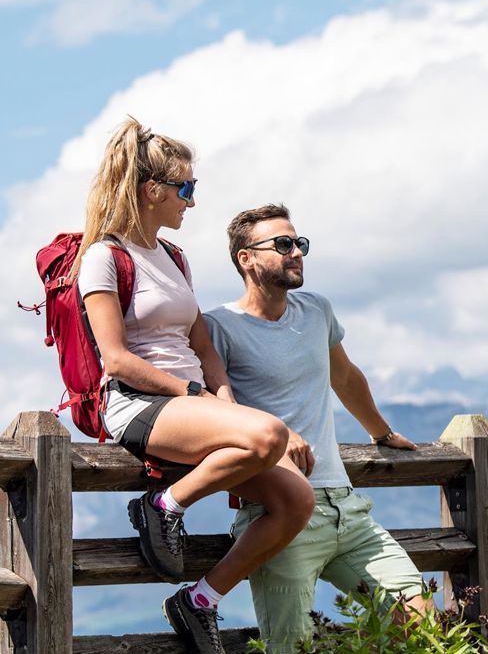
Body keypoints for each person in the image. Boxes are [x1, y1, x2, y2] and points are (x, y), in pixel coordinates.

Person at [76, 120, 315, 654]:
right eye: (185, 188)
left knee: (296, 500)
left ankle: (199, 600)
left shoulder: (174, 257)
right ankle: (163, 507)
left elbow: (202, 345)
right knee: (268, 436)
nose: (192, 201)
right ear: (151, 190)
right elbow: (115, 359)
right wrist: (196, 399)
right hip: (141, 405)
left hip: (192, 404)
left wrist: (223, 399)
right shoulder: (102, 258)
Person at [203, 203, 429, 653]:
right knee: (292, 648)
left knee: (423, 623)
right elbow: (211, 411)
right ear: (246, 258)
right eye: (283, 245)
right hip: (280, 515)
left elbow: (344, 376)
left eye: (299, 244)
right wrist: (277, 434)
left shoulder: (317, 310)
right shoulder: (217, 326)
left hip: (348, 510)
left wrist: (381, 433)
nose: (296, 253)